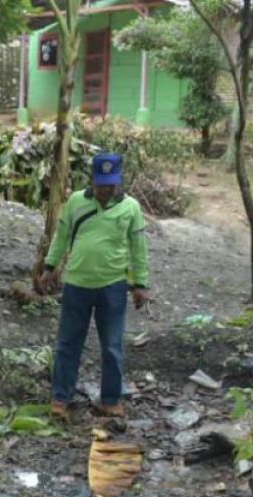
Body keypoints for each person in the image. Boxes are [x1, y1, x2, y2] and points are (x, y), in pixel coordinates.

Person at [39, 152, 151, 418]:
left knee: (112, 346)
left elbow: (139, 249)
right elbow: (62, 236)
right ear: (93, 180)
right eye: (102, 184)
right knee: (68, 343)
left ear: (119, 181)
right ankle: (60, 398)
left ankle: (110, 399)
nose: (106, 190)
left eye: (111, 185)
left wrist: (141, 284)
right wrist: (50, 266)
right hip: (77, 285)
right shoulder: (76, 202)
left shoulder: (131, 207)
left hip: (113, 287)